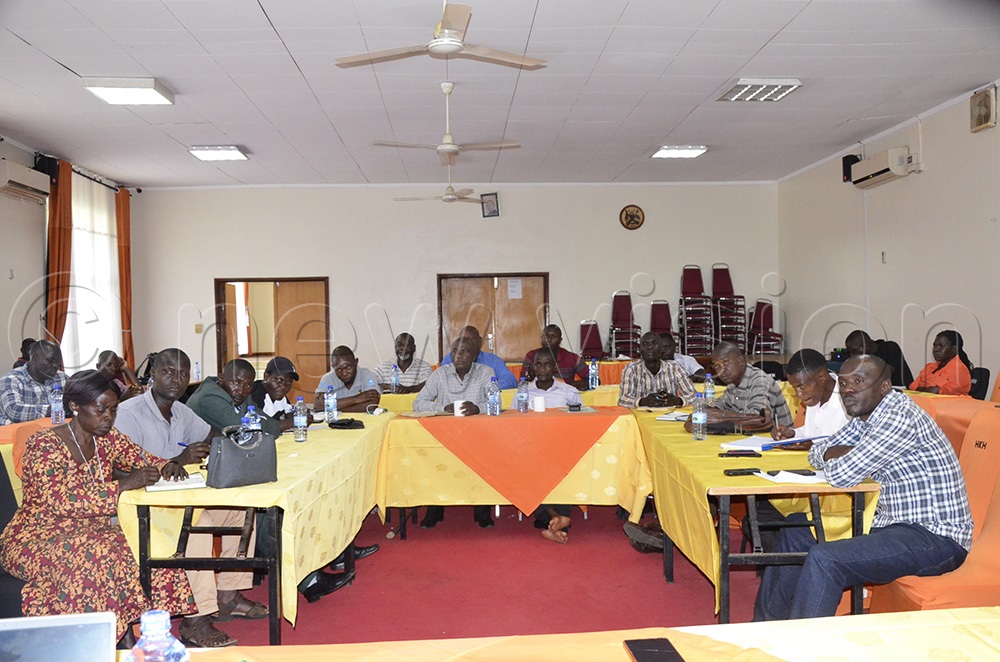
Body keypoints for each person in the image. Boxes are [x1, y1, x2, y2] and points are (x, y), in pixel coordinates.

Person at [754, 355, 972, 621]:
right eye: (844, 383)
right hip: (891, 524)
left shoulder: (898, 417)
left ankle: (803, 649)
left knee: (827, 559)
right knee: (797, 529)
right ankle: (764, 629)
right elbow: (816, 452)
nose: (848, 390)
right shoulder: (865, 416)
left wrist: (843, 455)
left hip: (935, 537)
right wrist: (849, 452)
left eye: (859, 381)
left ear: (884, 386)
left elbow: (841, 474)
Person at [0, 370, 195, 645]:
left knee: (149, 544)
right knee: (96, 556)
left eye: (113, 410)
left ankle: (144, 632)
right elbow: (61, 501)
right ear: (74, 407)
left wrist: (168, 465)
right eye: (101, 409)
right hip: (37, 536)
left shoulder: (107, 437)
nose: (108, 417)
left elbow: (142, 458)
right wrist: (123, 485)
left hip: (91, 532)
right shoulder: (44, 445)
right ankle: (107, 641)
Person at [115, 349, 268, 648]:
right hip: (141, 507)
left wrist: (229, 447)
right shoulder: (129, 414)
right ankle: (196, 619)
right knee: (201, 521)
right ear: (153, 375)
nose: (177, 379)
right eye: (168, 371)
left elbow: (213, 435)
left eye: (183, 373)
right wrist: (179, 458)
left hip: (179, 501)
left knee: (240, 511)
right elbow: (119, 472)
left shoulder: (181, 410)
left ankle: (228, 595)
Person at [414, 335, 496, 529]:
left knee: (485, 461)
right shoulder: (439, 374)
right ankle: (435, 511)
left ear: (475, 355)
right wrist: (443, 408)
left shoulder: (486, 372)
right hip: (444, 436)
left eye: (465, 351)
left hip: (478, 436)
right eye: (455, 351)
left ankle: (483, 513)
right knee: (434, 463)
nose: (458, 356)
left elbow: (496, 403)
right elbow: (418, 402)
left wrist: (478, 408)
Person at [526, 347, 581, 543]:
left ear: (555, 367)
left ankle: (554, 521)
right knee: (531, 472)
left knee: (562, 471)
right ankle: (560, 519)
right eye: (538, 365)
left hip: (562, 449)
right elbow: (514, 423)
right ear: (533, 367)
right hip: (532, 449)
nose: (542, 369)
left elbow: (580, 422)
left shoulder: (569, 392)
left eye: (547, 364)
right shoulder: (523, 393)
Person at [700, 341, 792, 431]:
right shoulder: (733, 383)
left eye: (726, 363)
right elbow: (721, 405)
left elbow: (758, 418)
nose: (721, 371)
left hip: (780, 440)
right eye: (717, 367)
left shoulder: (760, 380)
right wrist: (710, 410)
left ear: (740, 359)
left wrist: (721, 416)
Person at [186, 359, 281, 437]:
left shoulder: (240, 395)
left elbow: (274, 427)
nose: (241, 390)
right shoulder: (209, 398)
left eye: (248, 385)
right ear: (221, 378)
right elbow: (240, 431)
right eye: (235, 382)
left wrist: (255, 425)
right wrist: (257, 424)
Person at [618, 332, 696, 408]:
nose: (649, 347)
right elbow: (623, 400)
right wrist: (643, 402)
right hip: (641, 418)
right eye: (645, 344)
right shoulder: (631, 369)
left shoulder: (675, 368)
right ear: (640, 350)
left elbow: (694, 396)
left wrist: (677, 401)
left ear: (661, 348)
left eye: (654, 343)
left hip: (669, 417)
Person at [0, 340, 68, 425]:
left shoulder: (62, 378)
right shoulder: (11, 380)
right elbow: (14, 411)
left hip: (53, 433)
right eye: (50, 360)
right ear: (34, 358)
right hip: (18, 435)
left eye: (58, 362)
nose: (55, 366)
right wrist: (51, 410)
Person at [440, 326, 517, 389]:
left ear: (480, 342)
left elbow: (510, 380)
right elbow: (442, 383)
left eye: (471, 339)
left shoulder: (492, 360)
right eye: (464, 340)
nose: (468, 344)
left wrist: (487, 388)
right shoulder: (450, 359)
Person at [314, 346, 381, 413]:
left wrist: (335, 408)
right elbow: (318, 406)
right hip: (336, 422)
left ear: (356, 362)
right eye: (339, 369)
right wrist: (356, 399)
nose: (344, 373)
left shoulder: (368, 376)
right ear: (333, 367)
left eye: (348, 367)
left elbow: (371, 406)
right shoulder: (327, 379)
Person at [249, 356, 307, 432]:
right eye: (279, 380)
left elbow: (288, 413)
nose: (283, 386)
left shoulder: (278, 394)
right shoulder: (255, 395)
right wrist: (295, 421)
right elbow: (262, 427)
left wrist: (301, 415)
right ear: (266, 377)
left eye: (288, 382)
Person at [520, 325, 588, 388]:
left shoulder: (572, 357)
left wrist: (566, 386)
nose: (549, 339)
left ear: (560, 340)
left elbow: (593, 380)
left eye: (553, 336)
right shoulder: (532, 355)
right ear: (541, 338)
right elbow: (523, 381)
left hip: (565, 396)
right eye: (546, 336)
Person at [910, 330, 972, 396]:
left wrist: (923, 389)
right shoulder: (929, 368)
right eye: (935, 346)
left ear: (954, 349)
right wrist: (927, 389)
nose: (936, 349)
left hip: (950, 405)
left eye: (941, 346)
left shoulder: (959, 369)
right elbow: (912, 390)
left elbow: (934, 393)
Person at [845, 330, 913, 388]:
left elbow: (884, 374)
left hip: (901, 390)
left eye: (854, 351)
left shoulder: (889, 348)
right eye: (849, 352)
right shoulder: (861, 357)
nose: (852, 355)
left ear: (865, 345)